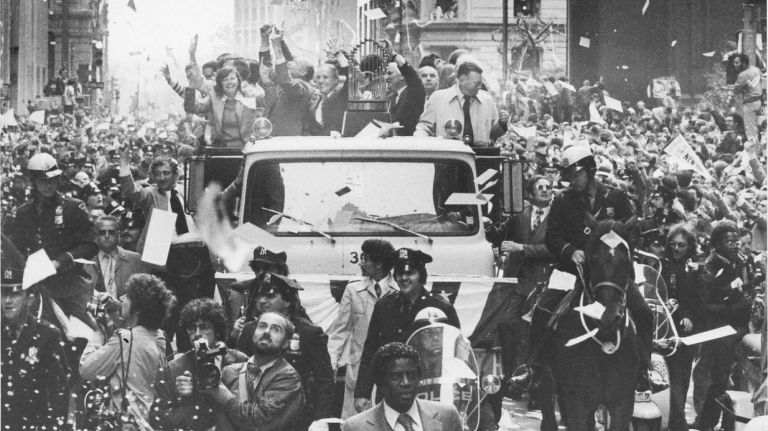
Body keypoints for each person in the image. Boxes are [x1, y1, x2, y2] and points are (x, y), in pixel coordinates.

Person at [354, 248, 460, 413]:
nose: (404, 278)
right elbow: (370, 352)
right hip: (389, 392)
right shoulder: (384, 305)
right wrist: (362, 393)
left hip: (427, 391)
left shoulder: (441, 307)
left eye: (410, 273)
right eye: (399, 274)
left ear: (421, 276)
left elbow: (456, 355)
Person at [4, 152, 98, 327]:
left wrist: (60, 262)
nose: (48, 185)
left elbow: (91, 244)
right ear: (33, 182)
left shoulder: (73, 207)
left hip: (69, 284)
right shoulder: (24, 213)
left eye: (52, 180)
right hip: (35, 284)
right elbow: (16, 247)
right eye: (43, 181)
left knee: (89, 328)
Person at [486, 175, 555, 399]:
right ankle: (508, 376)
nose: (545, 190)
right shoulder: (519, 216)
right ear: (531, 193)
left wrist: (521, 248)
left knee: (532, 332)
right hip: (516, 280)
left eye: (548, 187)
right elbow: (498, 236)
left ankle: (526, 382)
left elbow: (553, 249)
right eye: (540, 187)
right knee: (506, 324)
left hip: (542, 281)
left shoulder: (557, 217)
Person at [236, 271, 335, 426]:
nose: (262, 301)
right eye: (260, 296)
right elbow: (239, 368)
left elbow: (324, 380)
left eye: (270, 296)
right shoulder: (251, 330)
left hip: (295, 415)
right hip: (255, 414)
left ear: (287, 301)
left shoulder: (308, 333)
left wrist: (321, 421)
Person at [79, 273, 175, 426]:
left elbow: (86, 370)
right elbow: (132, 344)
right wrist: (116, 315)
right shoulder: (159, 338)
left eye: (128, 296)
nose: (122, 298)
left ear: (138, 309)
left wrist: (97, 330)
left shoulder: (124, 339)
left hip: (125, 423)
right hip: (147, 421)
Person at [696, 220, 761, 431]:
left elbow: (736, 291)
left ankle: (730, 424)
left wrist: (753, 285)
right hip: (719, 332)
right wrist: (736, 307)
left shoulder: (738, 262)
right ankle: (706, 423)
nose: (735, 245)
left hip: (739, 330)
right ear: (716, 244)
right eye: (729, 241)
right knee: (718, 381)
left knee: (739, 380)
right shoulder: (711, 267)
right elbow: (705, 306)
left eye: (736, 241)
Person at [326, 239, 399, 419]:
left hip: (391, 369)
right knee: (355, 422)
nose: (361, 263)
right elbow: (340, 331)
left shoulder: (399, 290)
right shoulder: (353, 290)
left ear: (379, 263)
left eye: (365, 259)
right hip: (358, 370)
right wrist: (332, 364)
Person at [150, 298, 248, 430]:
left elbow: (251, 411)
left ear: (217, 330)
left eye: (204, 327)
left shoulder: (239, 361)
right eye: (191, 328)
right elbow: (159, 418)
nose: (197, 334)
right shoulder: (174, 369)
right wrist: (188, 400)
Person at [203, 311, 305, 431]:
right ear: (253, 334)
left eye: (275, 329)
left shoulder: (288, 377)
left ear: (285, 344)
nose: (266, 332)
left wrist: (225, 397)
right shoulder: (230, 371)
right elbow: (207, 416)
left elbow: (260, 422)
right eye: (262, 326)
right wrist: (188, 392)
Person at [1, 264, 70, 430]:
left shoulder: (48, 335)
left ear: (30, 299)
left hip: (35, 424)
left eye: (16, 294)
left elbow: (58, 392)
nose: (8, 301)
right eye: (3, 294)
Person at [342, 342, 462, 431]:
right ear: (380, 383)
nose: (406, 383)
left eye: (411, 375)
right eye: (396, 377)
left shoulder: (447, 416)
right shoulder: (356, 427)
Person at [659, 224, 704, 431]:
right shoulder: (661, 262)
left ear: (690, 246)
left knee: (681, 375)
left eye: (682, 245)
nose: (676, 249)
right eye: (673, 244)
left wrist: (688, 316)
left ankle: (677, 421)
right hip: (662, 325)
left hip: (686, 327)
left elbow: (697, 297)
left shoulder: (696, 265)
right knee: (661, 374)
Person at [414, 61, 499, 146]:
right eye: (476, 83)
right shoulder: (438, 98)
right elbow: (424, 127)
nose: (479, 87)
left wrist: (502, 124)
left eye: (480, 83)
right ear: (462, 80)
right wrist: (420, 140)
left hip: (482, 156)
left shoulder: (488, 100)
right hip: (449, 155)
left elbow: (495, 133)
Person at [183, 66, 263, 148]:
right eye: (225, 80)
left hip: (248, 147)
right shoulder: (214, 97)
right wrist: (191, 86)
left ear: (238, 81)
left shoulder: (248, 95)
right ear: (220, 83)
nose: (229, 82)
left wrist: (266, 79)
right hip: (222, 149)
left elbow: (267, 101)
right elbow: (191, 108)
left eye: (232, 78)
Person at [228, 246, 290, 343]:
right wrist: (235, 332)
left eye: (267, 269)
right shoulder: (247, 293)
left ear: (281, 272)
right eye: (257, 269)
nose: (260, 273)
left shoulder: (289, 294)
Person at [90, 215, 148, 299]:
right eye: (102, 232)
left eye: (111, 232)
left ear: (118, 234)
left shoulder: (135, 260)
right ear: (96, 235)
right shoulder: (86, 260)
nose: (106, 236)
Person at [385, 46, 426, 136]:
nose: (386, 78)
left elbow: (412, 76)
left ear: (402, 75)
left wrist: (393, 54)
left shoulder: (414, 92)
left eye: (390, 73)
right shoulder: (390, 98)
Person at [732, 54, 763, 141]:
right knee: (758, 128)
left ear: (744, 63)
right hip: (759, 102)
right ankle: (759, 150)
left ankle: (752, 152)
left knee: (750, 130)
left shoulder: (742, 75)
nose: (734, 64)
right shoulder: (756, 69)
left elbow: (736, 90)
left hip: (749, 104)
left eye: (737, 62)